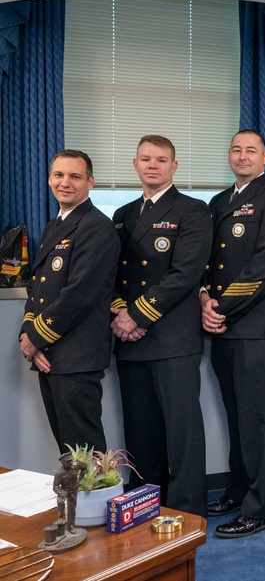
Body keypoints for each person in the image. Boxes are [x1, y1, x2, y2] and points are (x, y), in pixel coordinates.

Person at [201, 130, 265, 538]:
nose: (243, 157)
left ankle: (264, 509)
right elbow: (206, 262)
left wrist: (220, 307)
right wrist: (204, 299)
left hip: (256, 327)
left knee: (258, 418)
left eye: (251, 151)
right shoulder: (219, 202)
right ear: (229, 156)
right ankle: (241, 489)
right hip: (223, 326)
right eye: (237, 150)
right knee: (236, 415)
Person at [111, 135, 212, 517]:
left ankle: (187, 510)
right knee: (140, 432)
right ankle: (146, 503)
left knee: (182, 431)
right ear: (135, 164)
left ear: (174, 167)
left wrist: (135, 315)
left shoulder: (193, 211)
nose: (153, 165)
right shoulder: (122, 214)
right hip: (131, 340)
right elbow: (112, 276)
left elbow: (184, 275)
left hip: (173, 337)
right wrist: (121, 314)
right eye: (146, 159)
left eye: (162, 159)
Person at [20, 150, 119, 454]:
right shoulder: (55, 225)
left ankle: (97, 503)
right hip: (51, 355)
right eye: (59, 175)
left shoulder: (96, 226)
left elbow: (79, 295)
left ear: (90, 182)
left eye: (75, 176)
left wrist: (35, 338)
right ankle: (76, 504)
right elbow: (38, 288)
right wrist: (28, 335)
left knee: (85, 452)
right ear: (49, 179)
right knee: (69, 451)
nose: (65, 183)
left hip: (77, 357)